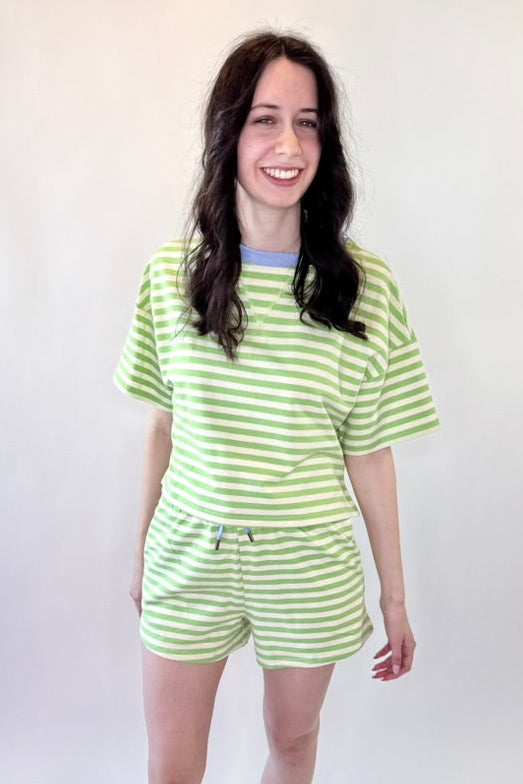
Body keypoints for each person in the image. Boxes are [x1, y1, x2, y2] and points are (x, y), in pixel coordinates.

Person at [113, 29, 439, 784]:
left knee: (292, 747)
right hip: (188, 555)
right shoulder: (171, 278)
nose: (287, 142)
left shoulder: (365, 287)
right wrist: (142, 551)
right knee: (170, 767)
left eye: (307, 121)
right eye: (264, 118)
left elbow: (370, 452)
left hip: (309, 564)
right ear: (228, 133)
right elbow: (162, 424)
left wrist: (394, 597)